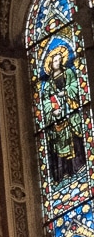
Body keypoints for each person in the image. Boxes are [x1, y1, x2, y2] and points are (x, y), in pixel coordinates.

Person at [40, 46, 86, 183]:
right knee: (60, 145)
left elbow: (74, 87)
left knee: (75, 139)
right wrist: (53, 111)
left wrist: (65, 93)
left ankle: (79, 166)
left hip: (70, 110)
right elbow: (46, 100)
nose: (58, 62)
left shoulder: (69, 73)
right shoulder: (47, 83)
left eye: (60, 60)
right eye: (55, 61)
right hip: (57, 117)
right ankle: (64, 173)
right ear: (50, 64)